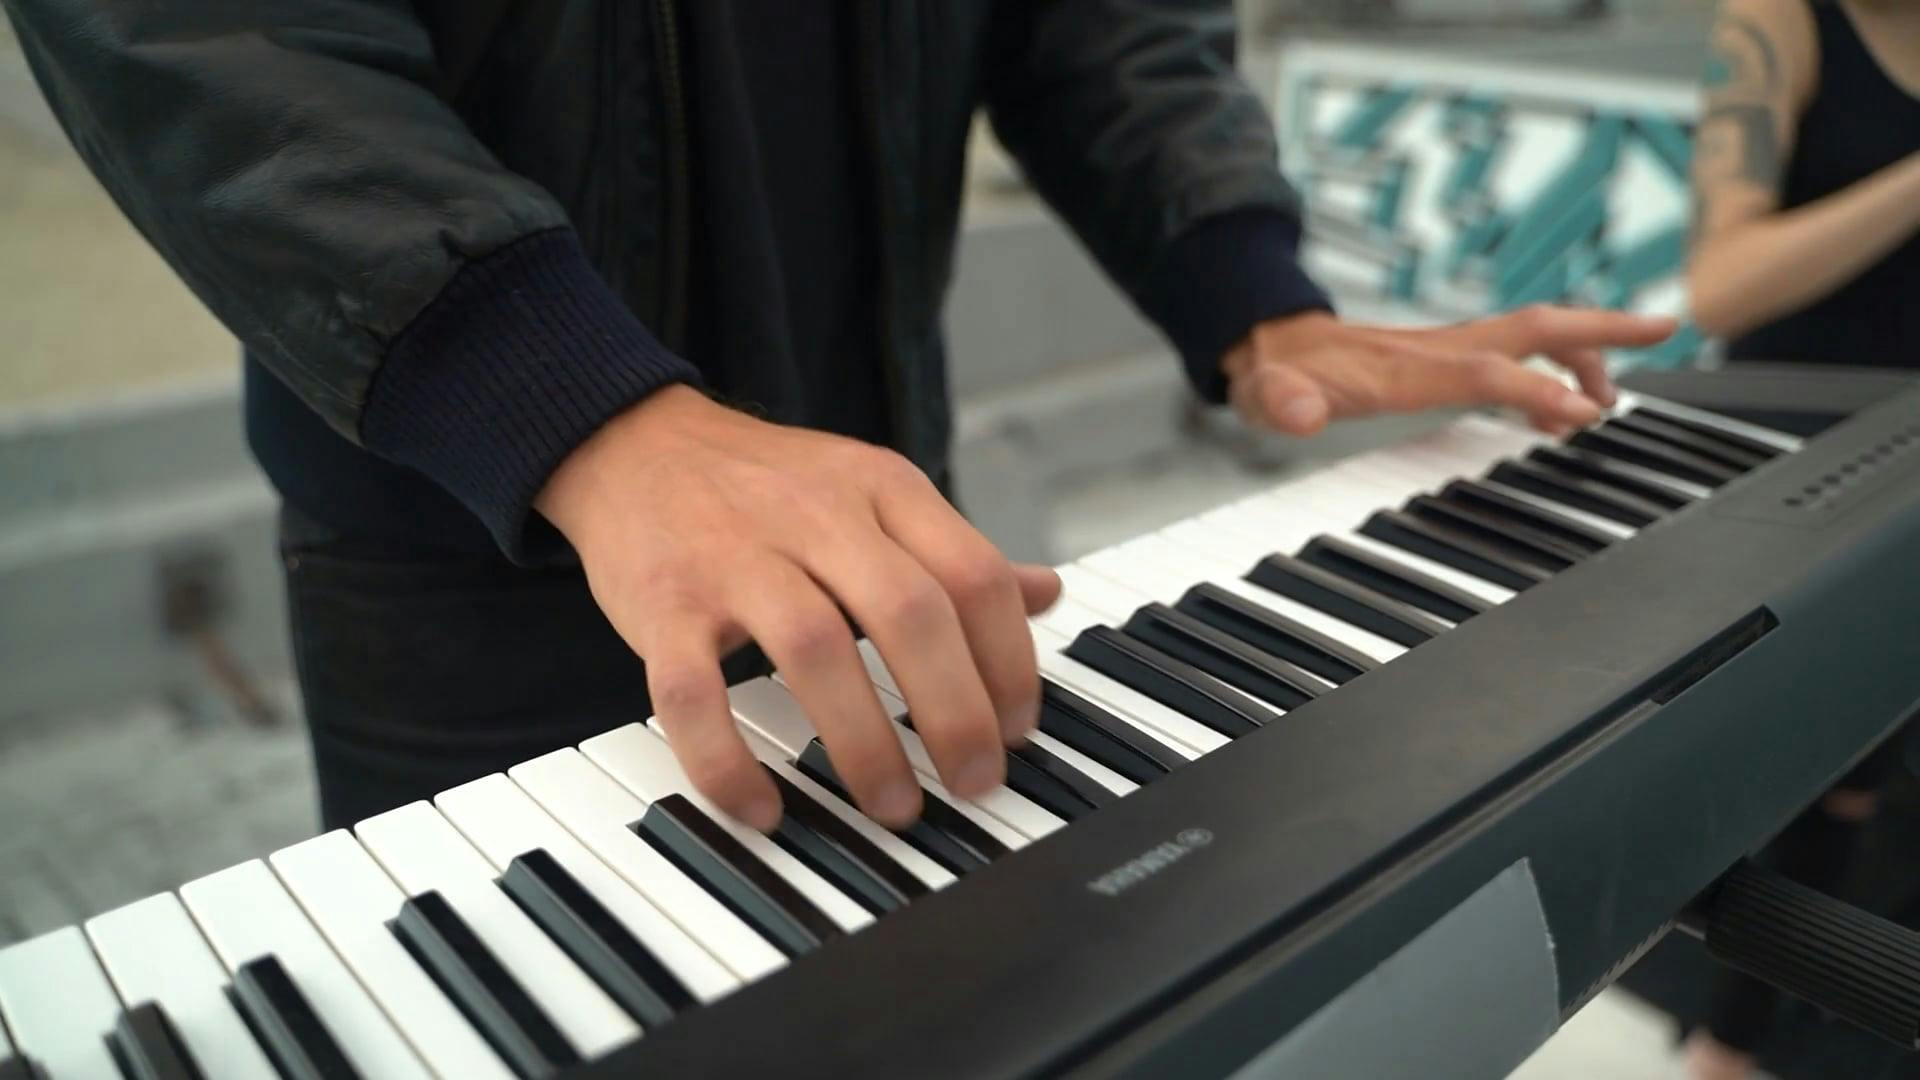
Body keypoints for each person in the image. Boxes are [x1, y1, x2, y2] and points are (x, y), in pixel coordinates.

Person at [3, 1, 1673, 836]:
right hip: (466, 539)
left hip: (868, 479)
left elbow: (1091, 16)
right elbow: (210, 31)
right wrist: (569, 403)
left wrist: (1254, 290)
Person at [1684, 1, 1920, 1077]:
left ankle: (1734, 1042)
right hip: (1793, 464)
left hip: (1912, 456)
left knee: (1857, 786)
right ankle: (1725, 1048)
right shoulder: (1778, 17)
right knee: (1777, 773)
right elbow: (1722, 282)